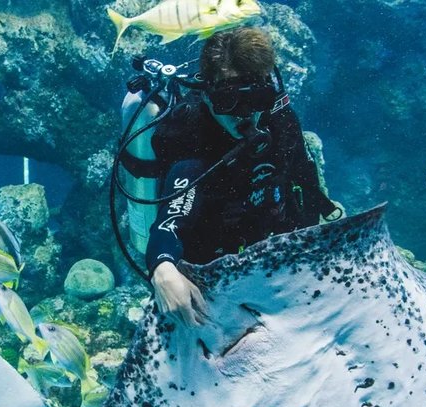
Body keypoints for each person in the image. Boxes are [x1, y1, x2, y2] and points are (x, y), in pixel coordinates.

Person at [144, 27, 342, 326]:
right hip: (212, 270)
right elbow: (172, 218)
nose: (245, 115)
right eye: (228, 100)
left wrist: (324, 226)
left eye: (256, 98)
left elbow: (305, 179)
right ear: (208, 94)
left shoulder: (279, 118)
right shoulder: (189, 133)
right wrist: (163, 268)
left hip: (273, 250)